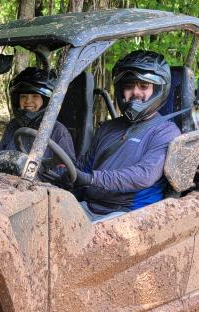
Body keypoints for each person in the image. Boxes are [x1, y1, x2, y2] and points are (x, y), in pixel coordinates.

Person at [72, 50, 181, 221]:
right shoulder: (108, 127)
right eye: (129, 86)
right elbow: (85, 165)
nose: (135, 92)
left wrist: (92, 178)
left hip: (129, 214)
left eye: (144, 86)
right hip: (90, 206)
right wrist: (63, 172)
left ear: (158, 90)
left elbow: (144, 175)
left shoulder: (165, 131)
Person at [0, 67, 75, 161]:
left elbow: (66, 171)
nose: (28, 101)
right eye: (23, 96)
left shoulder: (59, 131)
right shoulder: (13, 125)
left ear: (46, 100)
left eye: (35, 96)